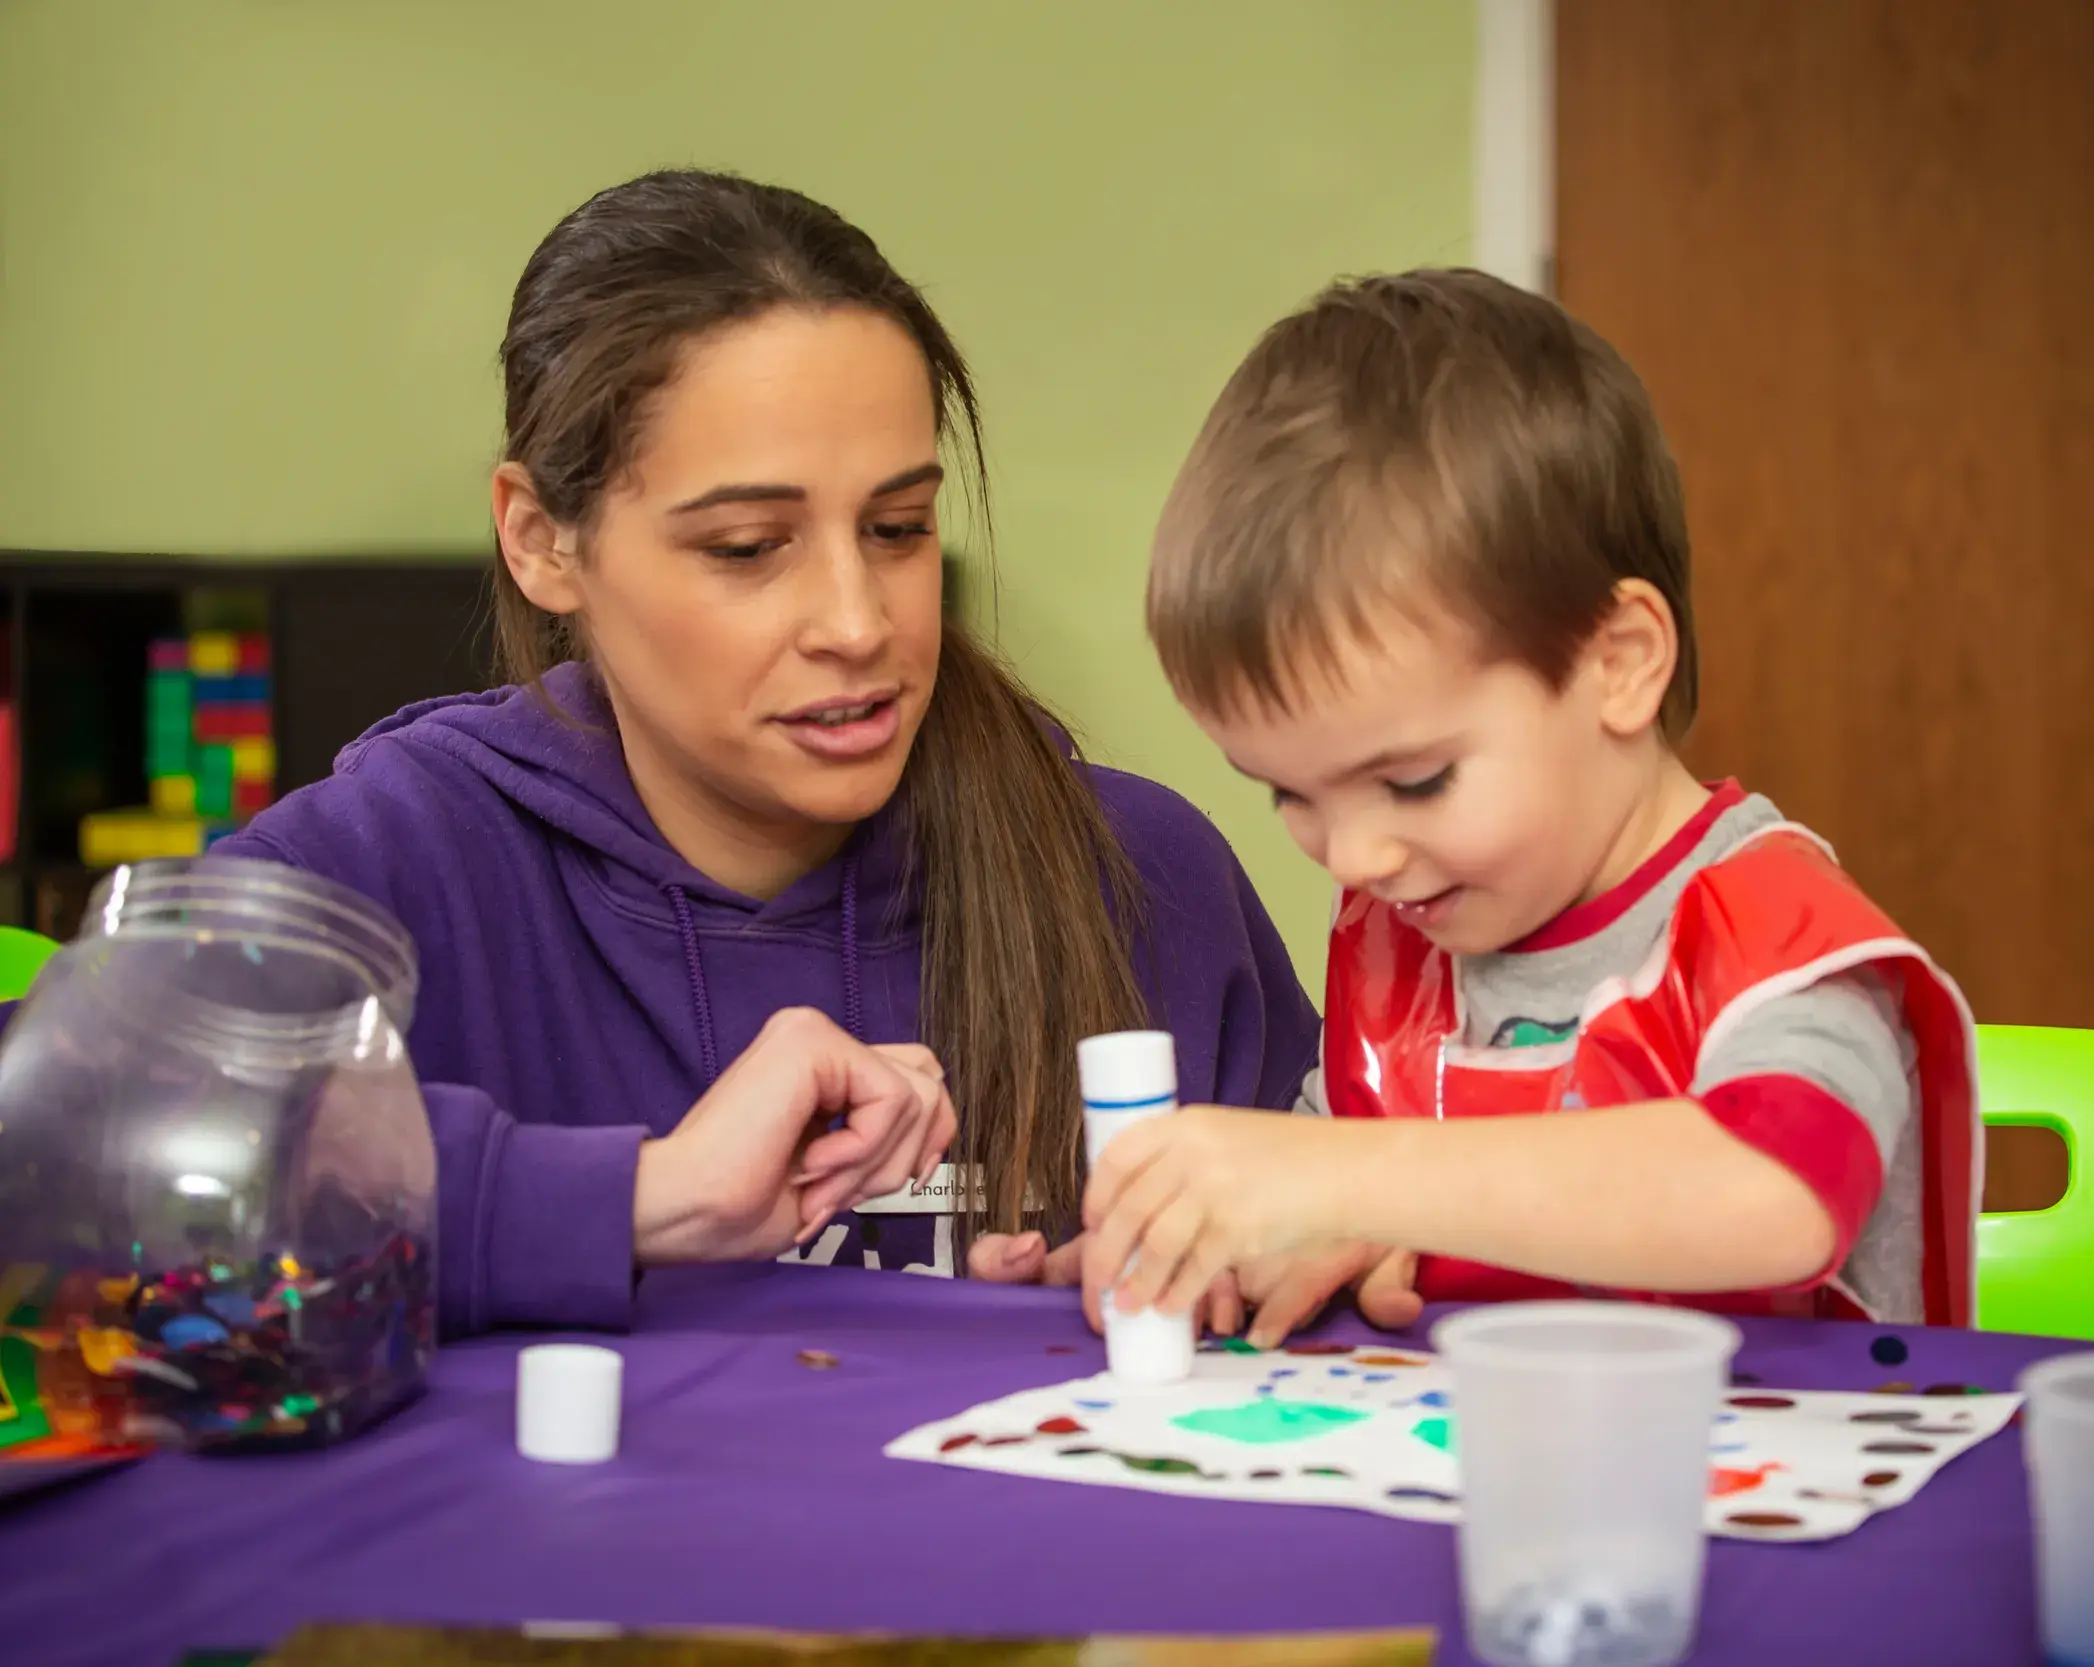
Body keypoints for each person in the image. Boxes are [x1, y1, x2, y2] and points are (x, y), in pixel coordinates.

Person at [216, 170, 1316, 1337]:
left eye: (897, 529)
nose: (858, 621)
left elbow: (1356, 1283)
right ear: (542, 541)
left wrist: (1274, 1263)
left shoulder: (1146, 878)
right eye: (747, 547)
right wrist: (643, 1198)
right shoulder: (392, 859)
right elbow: (69, 1165)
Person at [1082, 269, 1979, 1348]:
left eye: (1414, 780)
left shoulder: (1769, 934)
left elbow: (1775, 1193)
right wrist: (1194, 1250)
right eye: (1290, 792)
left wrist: (1352, 1178)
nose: (1355, 856)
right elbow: (1317, 1209)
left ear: (1619, 663)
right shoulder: (1404, 941)